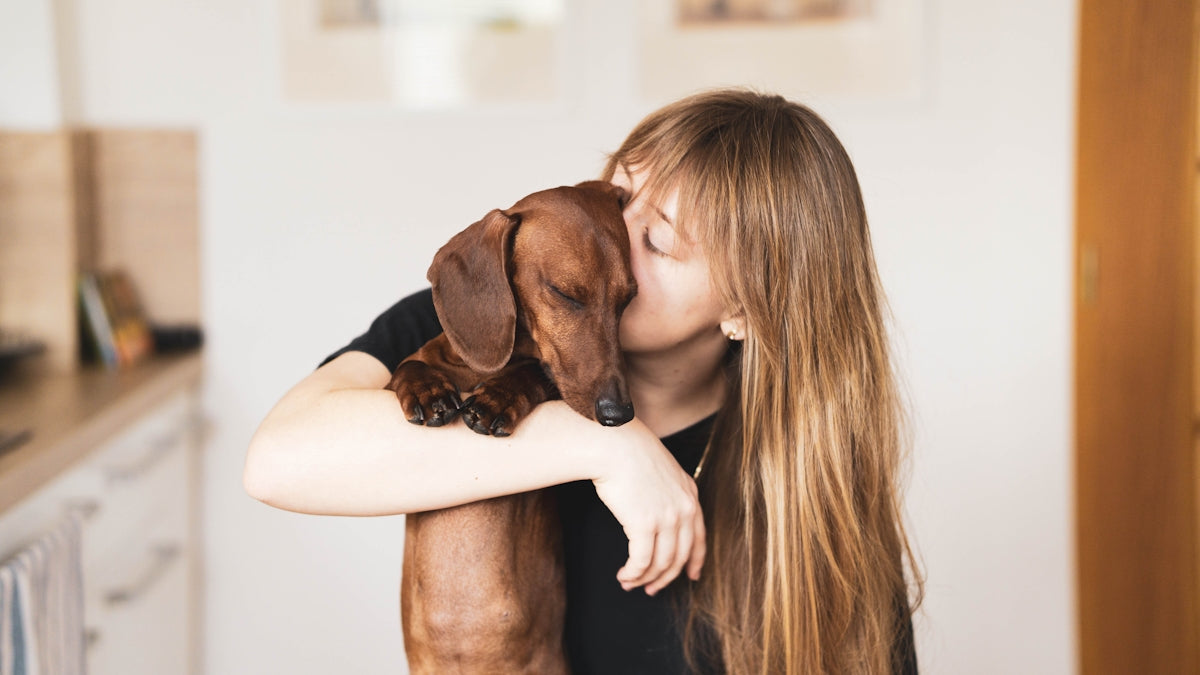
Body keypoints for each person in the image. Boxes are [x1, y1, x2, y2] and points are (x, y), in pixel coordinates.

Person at [244, 88, 923, 675]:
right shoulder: (490, 317)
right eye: (622, 194)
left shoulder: (807, 497)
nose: (614, 236)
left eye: (658, 241)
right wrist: (606, 446)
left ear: (746, 308)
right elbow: (277, 461)